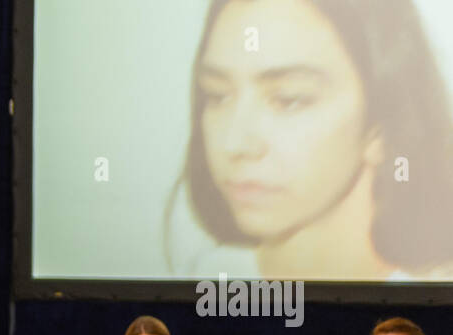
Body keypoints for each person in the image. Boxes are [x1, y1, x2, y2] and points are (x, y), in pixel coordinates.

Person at [172, 0, 453, 281]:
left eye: (289, 100)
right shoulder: (197, 285)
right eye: (217, 95)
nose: (234, 144)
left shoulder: (432, 309)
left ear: (381, 124)